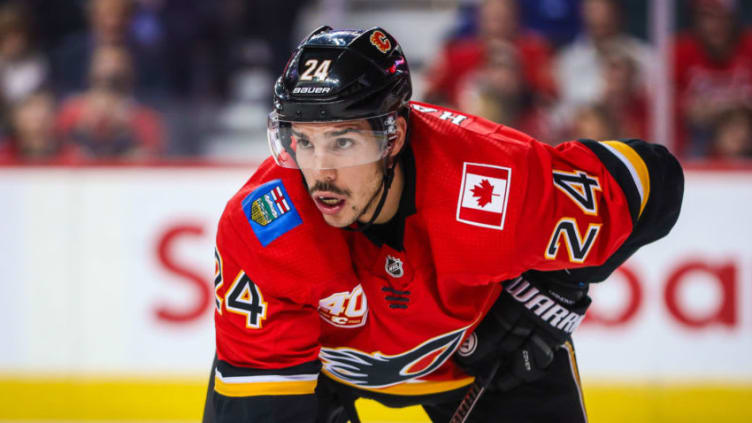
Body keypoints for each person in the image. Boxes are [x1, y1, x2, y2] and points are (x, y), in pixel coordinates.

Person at [205, 26, 683, 422]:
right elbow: (262, 397)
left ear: (394, 136)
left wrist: (553, 293)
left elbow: (652, 179)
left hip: (480, 365)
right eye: (302, 142)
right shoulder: (264, 227)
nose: (320, 172)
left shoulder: (494, 186)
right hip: (323, 376)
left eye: (344, 142)